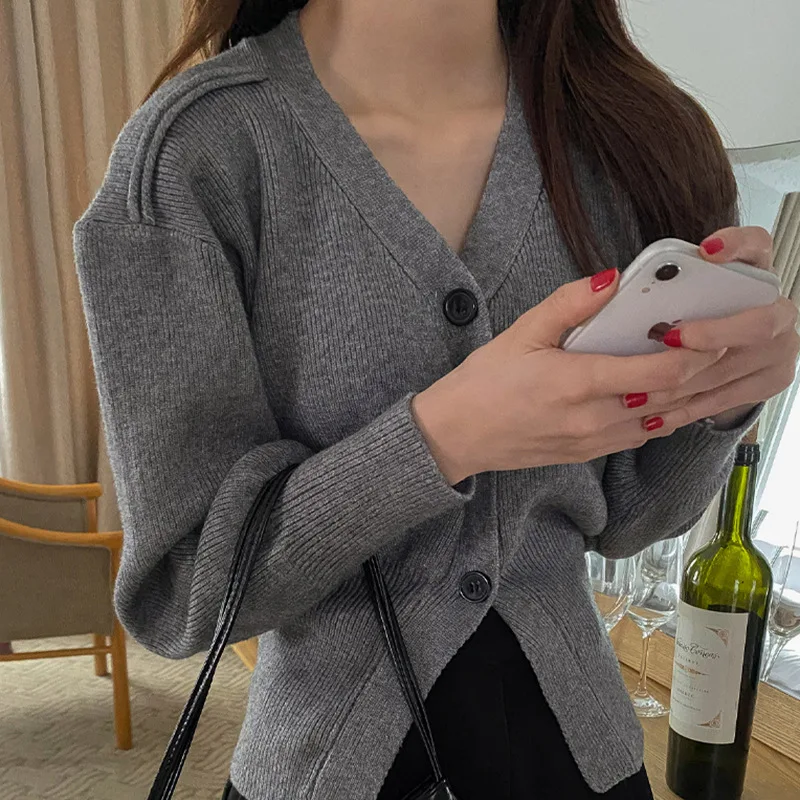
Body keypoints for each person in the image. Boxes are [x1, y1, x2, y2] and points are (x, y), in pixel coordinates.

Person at [74, 1, 799, 799]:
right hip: (328, 768)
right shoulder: (194, 154)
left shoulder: (638, 136)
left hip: (583, 759)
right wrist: (445, 437)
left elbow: (634, 518)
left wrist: (721, 394)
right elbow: (185, 593)